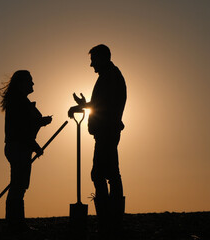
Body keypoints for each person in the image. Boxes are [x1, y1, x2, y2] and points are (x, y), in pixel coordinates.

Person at [69, 44, 127, 239]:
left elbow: (105, 105)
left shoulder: (110, 77)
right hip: (106, 131)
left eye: (93, 60)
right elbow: (102, 104)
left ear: (102, 58)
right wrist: (85, 105)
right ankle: (111, 221)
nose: (91, 64)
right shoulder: (109, 76)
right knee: (110, 173)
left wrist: (85, 107)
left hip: (107, 132)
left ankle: (109, 222)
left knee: (101, 174)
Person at [0, 70, 52, 233]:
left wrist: (41, 122)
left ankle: (14, 223)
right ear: (22, 83)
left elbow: (26, 125)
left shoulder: (19, 101)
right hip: (19, 147)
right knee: (18, 185)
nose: (33, 84)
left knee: (18, 184)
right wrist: (35, 146)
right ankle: (16, 224)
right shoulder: (19, 102)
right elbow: (21, 130)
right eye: (30, 81)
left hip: (18, 146)